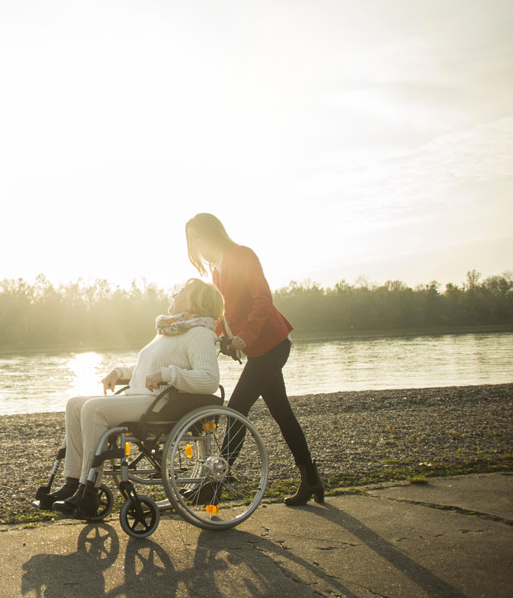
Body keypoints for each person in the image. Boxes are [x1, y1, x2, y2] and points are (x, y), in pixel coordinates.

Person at [50, 278, 225, 518]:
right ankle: (72, 483)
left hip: (159, 404)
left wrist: (167, 375)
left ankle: (88, 490)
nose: (174, 293)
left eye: (181, 291)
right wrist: (119, 373)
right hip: (143, 397)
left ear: (194, 302)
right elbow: (145, 368)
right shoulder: (171, 329)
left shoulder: (199, 332)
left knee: (93, 409)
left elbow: (208, 379)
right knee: (75, 404)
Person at [185, 213, 324, 506]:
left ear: (212, 233)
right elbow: (225, 313)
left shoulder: (241, 255)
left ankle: (216, 483)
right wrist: (219, 335)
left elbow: (263, 299)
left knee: (237, 408)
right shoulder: (216, 270)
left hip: (273, 343)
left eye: (197, 236)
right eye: (191, 239)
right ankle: (311, 480)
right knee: (283, 413)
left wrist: (245, 336)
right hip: (258, 350)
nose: (195, 244)